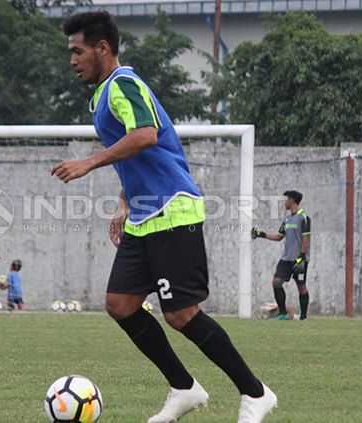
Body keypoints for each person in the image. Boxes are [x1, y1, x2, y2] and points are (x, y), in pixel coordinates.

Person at [53, 12, 277, 423]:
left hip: (173, 209)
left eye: (77, 50)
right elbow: (139, 154)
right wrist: (124, 201)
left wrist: (89, 163)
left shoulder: (123, 84)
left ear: (102, 48)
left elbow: (146, 135)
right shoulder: (103, 94)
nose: (72, 59)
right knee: (121, 304)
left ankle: (256, 392)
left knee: (181, 315)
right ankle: (184, 388)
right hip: (143, 215)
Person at [252, 190, 311, 321]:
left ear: (292, 200)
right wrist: (261, 234)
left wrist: (301, 257)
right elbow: (279, 237)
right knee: (276, 282)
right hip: (286, 258)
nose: (285, 202)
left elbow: (306, 238)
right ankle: (283, 314)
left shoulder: (304, 218)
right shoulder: (287, 219)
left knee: (301, 286)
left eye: (287, 199)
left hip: (299, 259)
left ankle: (303, 317)